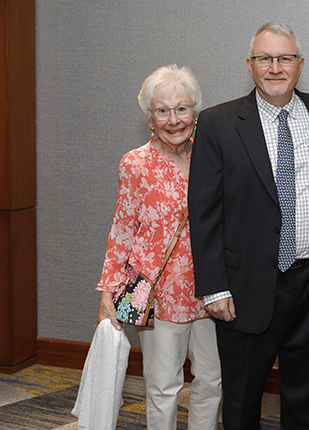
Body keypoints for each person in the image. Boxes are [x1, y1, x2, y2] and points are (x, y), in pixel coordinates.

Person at [188, 21, 309, 430]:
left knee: (308, 392)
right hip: (246, 285)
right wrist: (214, 286)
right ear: (250, 65)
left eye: (285, 58)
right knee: (242, 396)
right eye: (265, 58)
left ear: (300, 64)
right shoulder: (218, 123)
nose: (275, 67)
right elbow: (203, 213)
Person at [96, 64, 221, 430]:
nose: (173, 119)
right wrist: (107, 291)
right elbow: (122, 229)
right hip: (158, 293)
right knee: (164, 387)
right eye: (162, 110)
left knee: (212, 381)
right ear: (149, 117)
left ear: (195, 111)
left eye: (181, 108)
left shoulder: (212, 156)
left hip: (211, 289)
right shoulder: (135, 163)